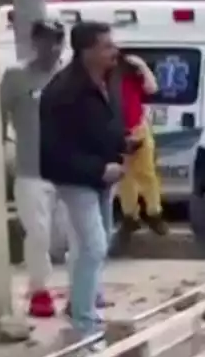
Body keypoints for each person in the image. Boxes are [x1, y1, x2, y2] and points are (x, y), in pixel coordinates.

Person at [39, 21, 130, 338]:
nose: (114, 51)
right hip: (76, 178)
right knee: (93, 244)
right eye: (106, 46)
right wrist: (97, 169)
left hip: (103, 177)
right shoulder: (63, 91)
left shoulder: (107, 81)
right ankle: (84, 320)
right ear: (87, 51)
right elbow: (52, 150)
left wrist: (123, 147)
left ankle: (82, 304)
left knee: (96, 242)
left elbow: (107, 125)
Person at [0, 19, 67, 318]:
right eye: (44, 40)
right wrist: (2, 148)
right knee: (38, 233)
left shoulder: (70, 78)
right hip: (31, 169)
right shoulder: (16, 78)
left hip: (70, 170)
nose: (51, 47)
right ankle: (39, 291)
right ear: (34, 43)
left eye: (56, 40)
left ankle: (83, 292)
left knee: (71, 235)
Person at [116, 54, 168, 241]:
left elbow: (152, 88)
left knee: (147, 175)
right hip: (118, 132)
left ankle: (154, 214)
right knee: (125, 178)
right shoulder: (105, 81)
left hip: (138, 129)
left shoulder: (132, 79)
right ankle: (130, 216)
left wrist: (142, 65)